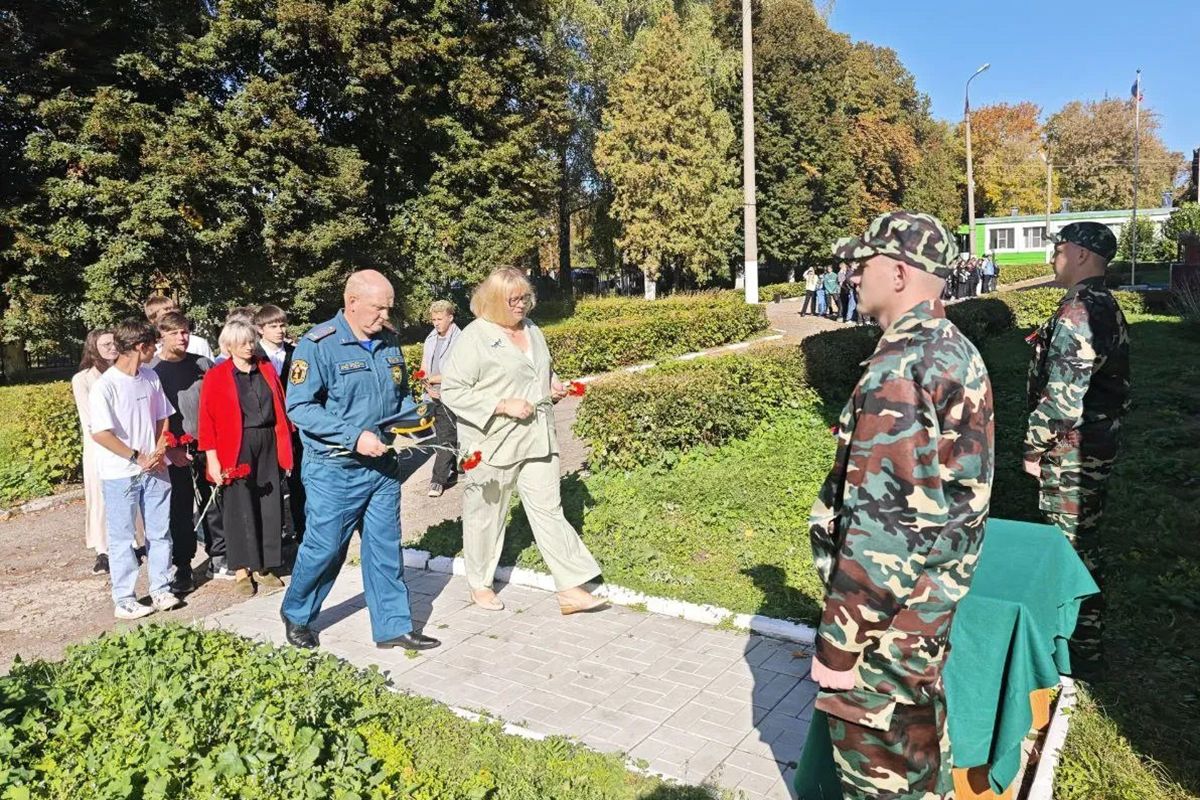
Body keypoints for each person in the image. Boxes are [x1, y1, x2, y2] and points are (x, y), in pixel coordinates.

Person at [808, 212, 994, 799]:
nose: (851, 274)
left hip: (887, 628)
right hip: (924, 611)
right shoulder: (950, 348)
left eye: (861, 264)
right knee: (918, 764)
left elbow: (887, 528)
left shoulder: (902, 366)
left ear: (897, 272)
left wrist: (840, 647)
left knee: (883, 781)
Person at [280, 270, 440, 651]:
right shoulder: (318, 344)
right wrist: (354, 438)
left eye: (388, 307)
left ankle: (393, 626)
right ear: (351, 303)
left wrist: (416, 418)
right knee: (326, 548)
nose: (384, 315)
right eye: (377, 308)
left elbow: (397, 396)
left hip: (382, 469)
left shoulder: (388, 342)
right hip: (335, 469)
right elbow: (299, 407)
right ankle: (297, 613)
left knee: (385, 546)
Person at [441, 267, 607, 615]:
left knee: (549, 510)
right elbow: (452, 391)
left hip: (538, 435)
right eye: (513, 300)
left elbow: (540, 369)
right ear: (494, 301)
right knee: (485, 515)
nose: (521, 305)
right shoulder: (476, 337)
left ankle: (570, 588)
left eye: (524, 298)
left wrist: (553, 385)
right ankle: (480, 584)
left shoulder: (532, 330)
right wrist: (501, 405)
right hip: (494, 441)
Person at [1023, 221, 1129, 676]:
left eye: (1059, 249)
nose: (1053, 258)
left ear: (1083, 254)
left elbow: (1062, 397)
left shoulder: (1079, 311)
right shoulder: (1105, 305)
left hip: (1071, 454)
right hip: (1093, 448)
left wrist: (1033, 448)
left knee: (1066, 552)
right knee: (1083, 544)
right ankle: (1083, 646)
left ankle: (1073, 652)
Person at [88, 318, 182, 620]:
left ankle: (161, 587)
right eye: (152, 344)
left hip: (155, 468)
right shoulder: (105, 386)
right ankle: (124, 598)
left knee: (160, 531)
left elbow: (162, 416)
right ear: (140, 346)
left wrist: (159, 448)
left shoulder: (150, 376)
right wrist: (137, 457)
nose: (156, 348)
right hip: (121, 474)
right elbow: (100, 433)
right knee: (123, 537)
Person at [198, 320, 292, 598]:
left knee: (270, 505)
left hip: (268, 442)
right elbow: (207, 421)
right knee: (239, 508)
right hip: (235, 447)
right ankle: (241, 569)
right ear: (228, 346)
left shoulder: (265, 369)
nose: (249, 346)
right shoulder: (217, 376)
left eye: (251, 340)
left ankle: (264, 566)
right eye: (242, 342)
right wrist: (212, 460)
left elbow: (280, 407)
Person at [151, 311, 213, 594]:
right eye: (175, 332)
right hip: (174, 450)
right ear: (161, 335)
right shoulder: (153, 371)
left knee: (214, 504)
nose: (182, 337)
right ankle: (184, 567)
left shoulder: (202, 364)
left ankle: (220, 556)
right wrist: (170, 448)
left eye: (186, 331)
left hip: (206, 445)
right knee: (179, 510)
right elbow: (150, 417)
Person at [254, 304, 305, 542]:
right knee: (270, 486)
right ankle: (274, 538)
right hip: (266, 428)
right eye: (273, 326)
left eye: (282, 325)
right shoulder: (253, 356)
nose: (279, 330)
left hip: (296, 428)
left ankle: (303, 533)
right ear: (260, 329)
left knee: (300, 482)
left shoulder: (298, 353)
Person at [72, 329, 119, 574]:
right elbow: (89, 419)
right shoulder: (84, 379)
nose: (112, 347)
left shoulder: (123, 373)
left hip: (124, 443)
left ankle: (134, 541)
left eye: (114, 343)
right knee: (100, 498)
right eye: (105, 344)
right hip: (98, 445)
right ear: (94, 348)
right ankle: (103, 549)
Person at [421, 300, 462, 497]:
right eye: (433, 320)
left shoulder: (461, 339)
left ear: (450, 318)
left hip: (452, 394)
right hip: (432, 395)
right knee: (447, 434)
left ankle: (437, 481)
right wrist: (426, 384)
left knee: (446, 437)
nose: (436, 323)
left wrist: (436, 380)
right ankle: (458, 468)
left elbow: (461, 372)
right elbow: (423, 368)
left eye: (439, 319)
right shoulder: (430, 338)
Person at [144, 294, 214, 359]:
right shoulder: (150, 348)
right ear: (152, 320)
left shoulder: (198, 343)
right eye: (164, 317)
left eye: (173, 313)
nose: (171, 319)